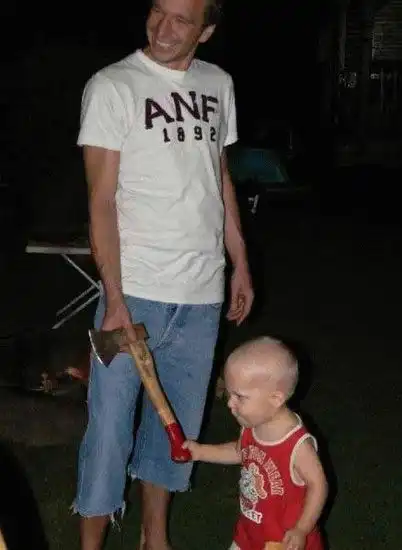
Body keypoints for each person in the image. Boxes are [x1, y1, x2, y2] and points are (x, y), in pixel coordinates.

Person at [72, 0, 254, 548]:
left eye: (181, 19)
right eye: (158, 11)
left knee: (176, 429)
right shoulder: (112, 85)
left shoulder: (218, 84)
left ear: (207, 31)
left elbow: (219, 177)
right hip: (134, 294)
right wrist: (114, 299)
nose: (163, 27)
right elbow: (101, 200)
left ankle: (156, 540)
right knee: (108, 432)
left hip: (201, 296)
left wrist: (240, 262)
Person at [184, 337, 328, 550]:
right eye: (229, 393)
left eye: (240, 397)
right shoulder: (252, 425)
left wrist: (302, 529)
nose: (230, 403)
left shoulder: (297, 446)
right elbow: (240, 451)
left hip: (283, 542)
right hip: (250, 531)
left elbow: (319, 485)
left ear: (275, 398)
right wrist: (200, 452)